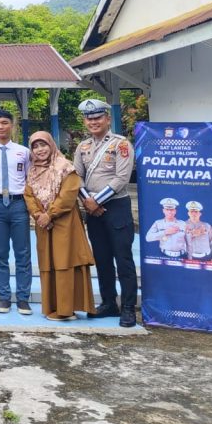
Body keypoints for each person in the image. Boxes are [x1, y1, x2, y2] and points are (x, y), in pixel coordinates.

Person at [74, 98, 137, 327]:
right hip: (93, 210)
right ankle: (109, 302)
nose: (93, 122)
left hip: (116, 208)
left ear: (107, 119)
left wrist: (96, 201)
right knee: (101, 258)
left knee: (123, 259)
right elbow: (77, 176)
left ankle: (128, 307)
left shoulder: (121, 144)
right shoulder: (83, 147)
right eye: (89, 119)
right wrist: (88, 201)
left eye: (98, 118)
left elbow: (122, 178)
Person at [23, 131, 96, 321]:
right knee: (48, 262)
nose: (40, 150)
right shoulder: (32, 170)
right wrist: (38, 214)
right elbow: (28, 195)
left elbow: (68, 195)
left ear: (52, 145)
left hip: (64, 222)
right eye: (35, 146)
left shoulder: (65, 167)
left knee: (65, 261)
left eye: (43, 145)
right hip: (43, 224)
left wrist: (50, 214)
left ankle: (67, 309)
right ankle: (52, 307)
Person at [0, 109, 32, 315]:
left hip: (19, 204)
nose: (0, 127)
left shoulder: (23, 151)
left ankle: (22, 298)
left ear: (12, 125)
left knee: (23, 253)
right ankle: (4, 297)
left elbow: (30, 178)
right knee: (0, 253)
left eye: (4, 123)